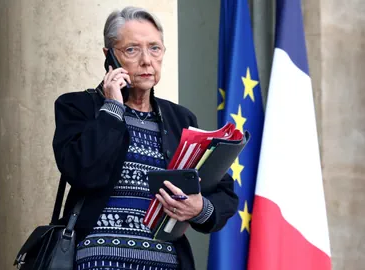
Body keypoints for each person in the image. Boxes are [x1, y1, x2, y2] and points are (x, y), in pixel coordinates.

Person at [52, 6, 238, 270]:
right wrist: (113, 108)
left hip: (165, 263)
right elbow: (84, 172)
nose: (146, 61)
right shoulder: (77, 107)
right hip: (95, 261)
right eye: (131, 50)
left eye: (155, 48)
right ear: (109, 56)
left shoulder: (181, 120)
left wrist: (199, 209)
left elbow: (223, 192)